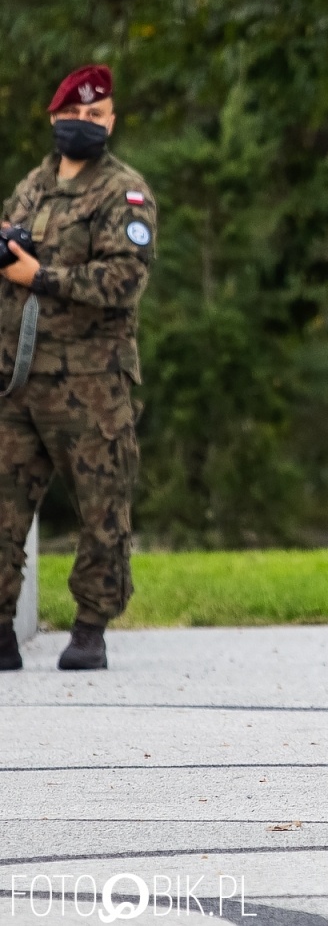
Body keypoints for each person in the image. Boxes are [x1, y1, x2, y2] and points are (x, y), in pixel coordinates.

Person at [0, 64, 156, 672]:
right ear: (54, 118)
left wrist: (40, 276)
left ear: (111, 121)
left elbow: (125, 279)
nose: (85, 124)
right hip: (17, 380)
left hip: (91, 386)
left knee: (102, 508)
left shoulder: (125, 192)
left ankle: (90, 628)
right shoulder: (31, 186)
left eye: (98, 115)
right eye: (75, 115)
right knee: (4, 509)